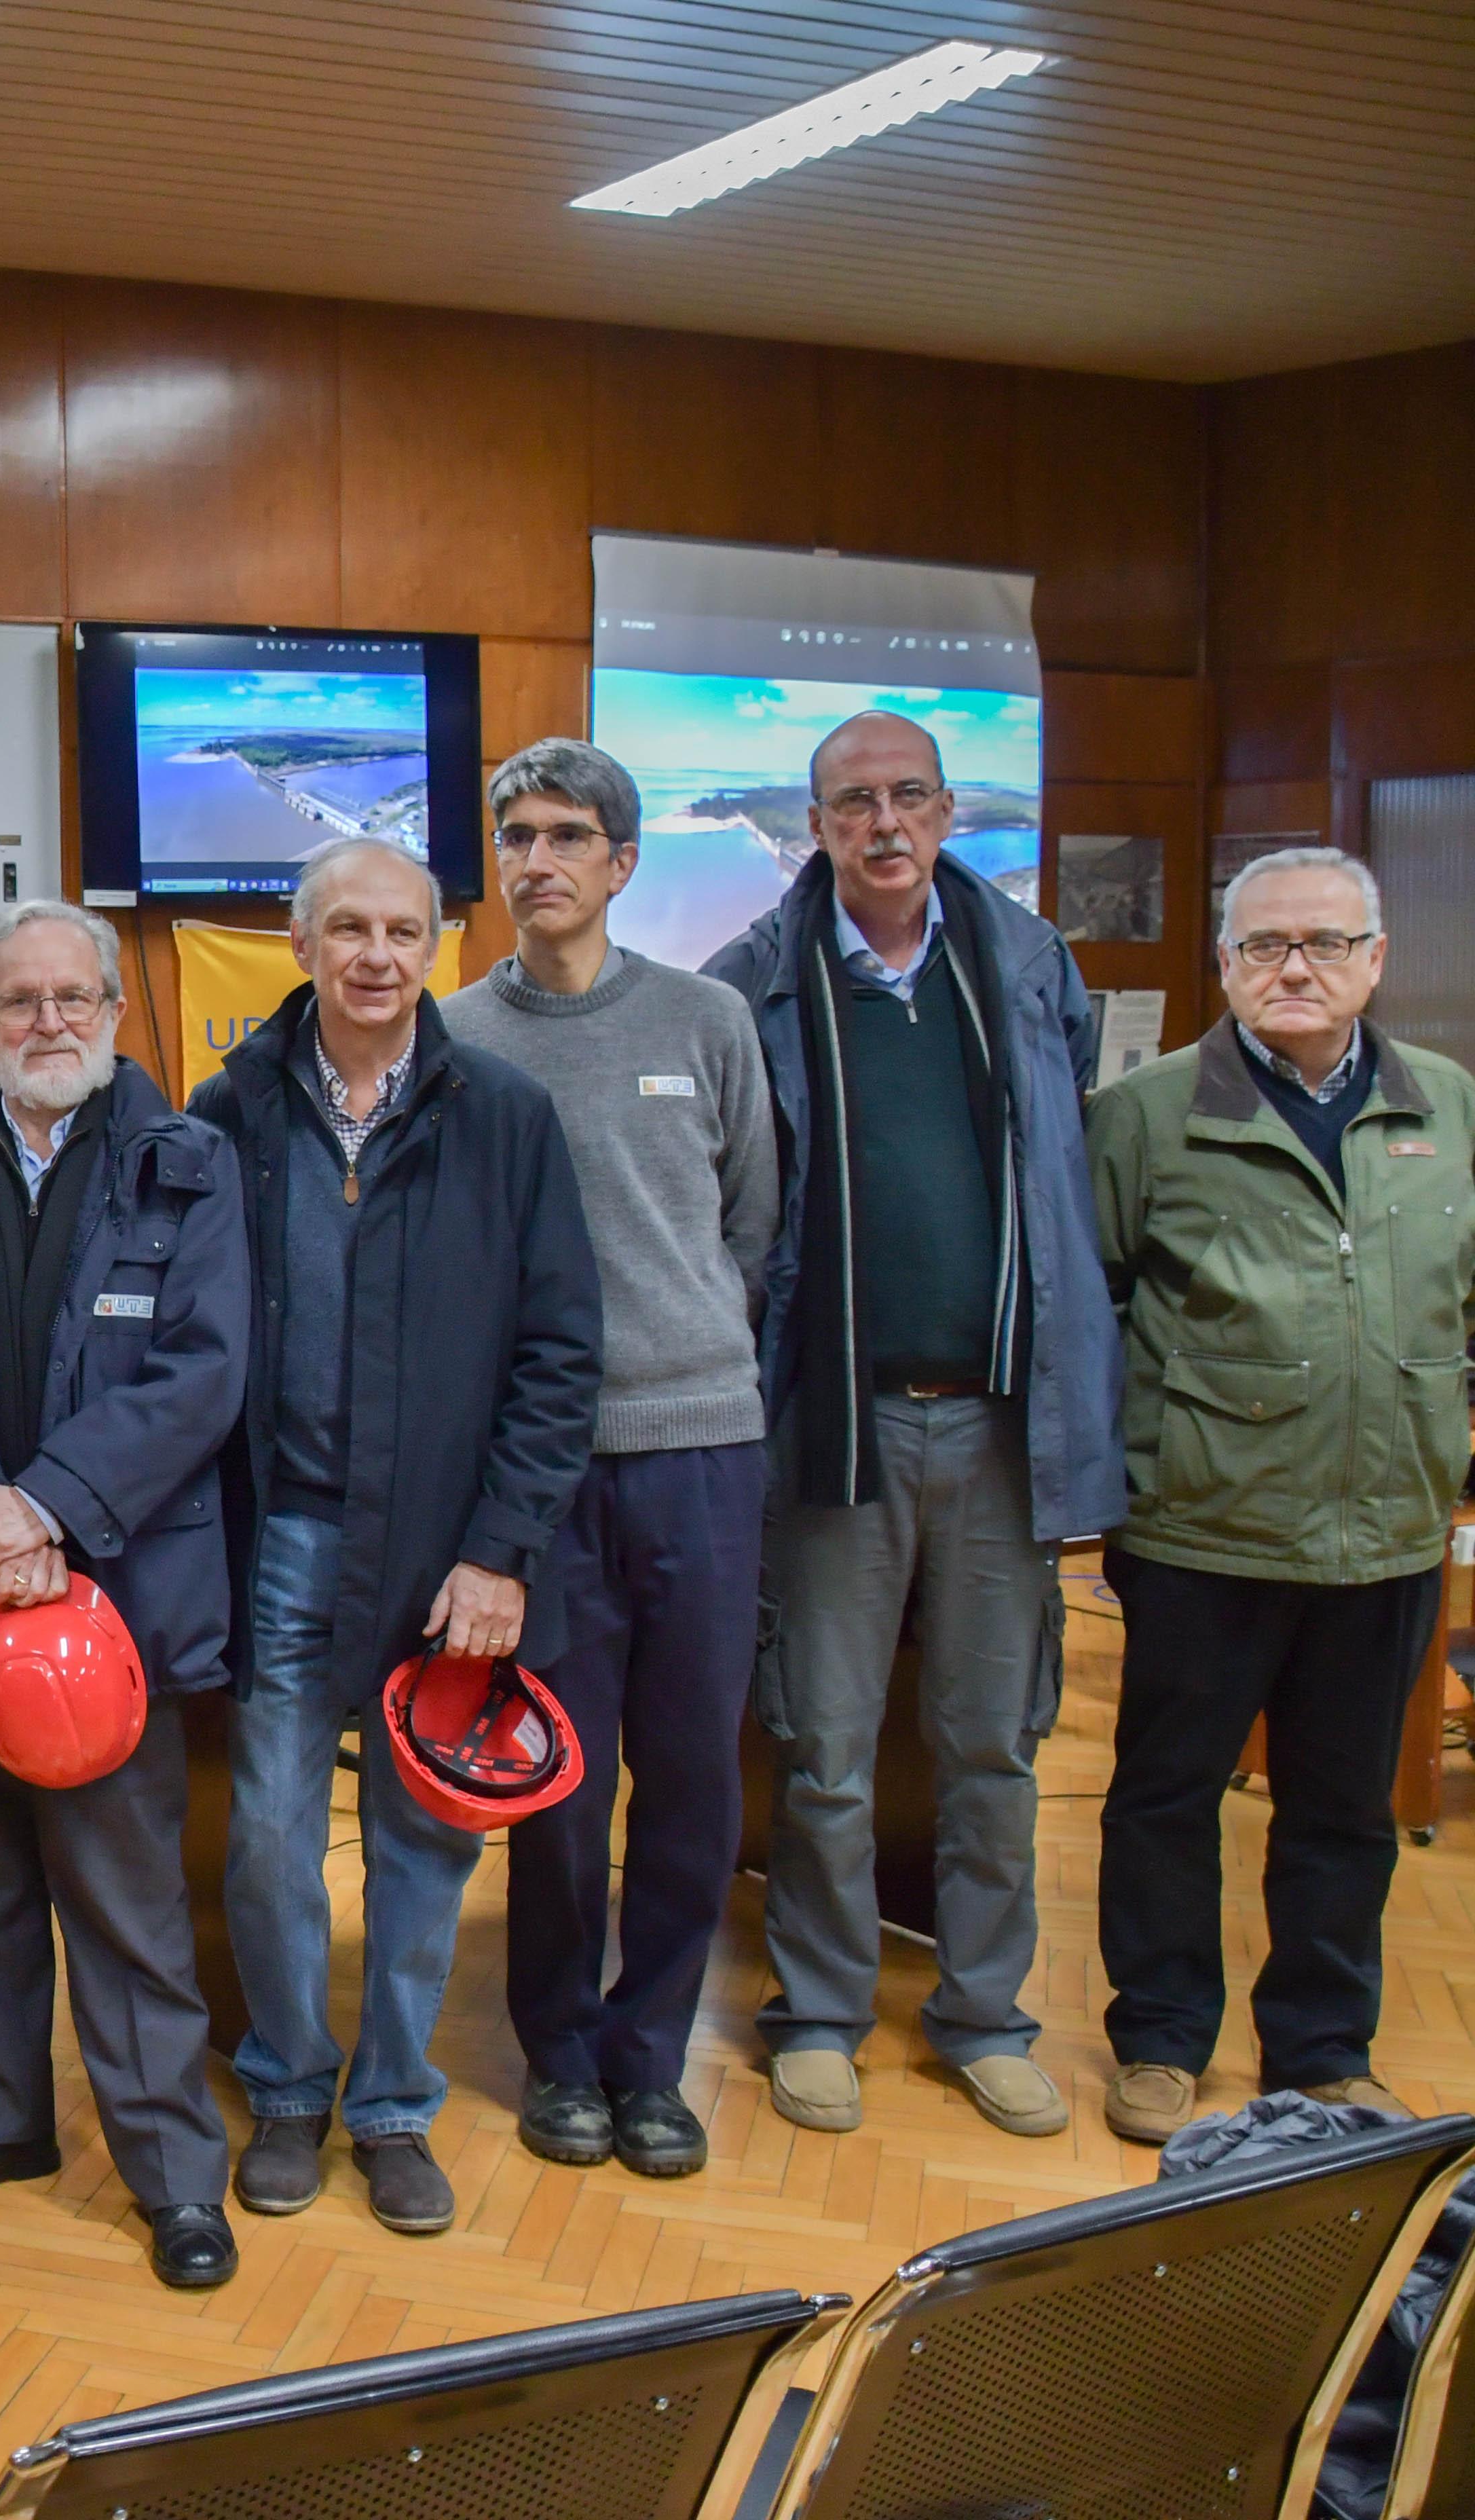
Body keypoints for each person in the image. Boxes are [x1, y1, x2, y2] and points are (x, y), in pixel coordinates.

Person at [703, 708, 1124, 2141]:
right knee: (822, 1742)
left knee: (994, 1744)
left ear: (949, 812)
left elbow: (1068, 1176)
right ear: (814, 825)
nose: (882, 823)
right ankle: (818, 2010)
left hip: (1006, 1422)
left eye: (907, 797)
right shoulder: (755, 980)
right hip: (833, 1425)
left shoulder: (1026, 960)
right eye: (851, 802)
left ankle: (986, 2010)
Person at [187, 839, 601, 2238]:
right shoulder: (226, 1112)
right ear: (297, 945)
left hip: (448, 1558)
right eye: (347, 926)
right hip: (286, 1538)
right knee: (269, 1838)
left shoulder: (505, 1114)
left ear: (438, 943)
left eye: (403, 928)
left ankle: (394, 2106)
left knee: (426, 1845)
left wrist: (501, 1550)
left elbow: (558, 1351)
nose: (375, 952)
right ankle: (292, 2086)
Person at [0, 902, 247, 2290]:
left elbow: (201, 1370)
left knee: (127, 1905)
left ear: (115, 1015)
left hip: (112, 1599)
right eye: (18, 1002)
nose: (49, 1022)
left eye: (74, 997)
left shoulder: (193, 1164)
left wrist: (54, 1505)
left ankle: (175, 2175)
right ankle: (0, 2123)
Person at [1086, 847, 1470, 2142]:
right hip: (1205, 1529)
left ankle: (1321, 2045)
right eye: (1263, 946)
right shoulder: (1145, 1113)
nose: (1293, 967)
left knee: (1345, 1807)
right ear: (1226, 965)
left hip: (1390, 1534)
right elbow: (1093, 1304)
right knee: (1164, 1795)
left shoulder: (1454, 1111)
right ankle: (1159, 2034)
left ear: (1375, 961)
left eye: (1322, 942)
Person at [442, 740, 777, 2181]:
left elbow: (750, 1221)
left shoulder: (708, 1018)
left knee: (694, 1774)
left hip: (700, 1451)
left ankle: (655, 2058)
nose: (538, 860)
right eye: (516, 835)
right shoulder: (456, 1036)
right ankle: (563, 2052)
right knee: (560, 1783)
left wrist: (687, 1346)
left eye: (569, 835)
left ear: (622, 862)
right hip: (539, 1473)